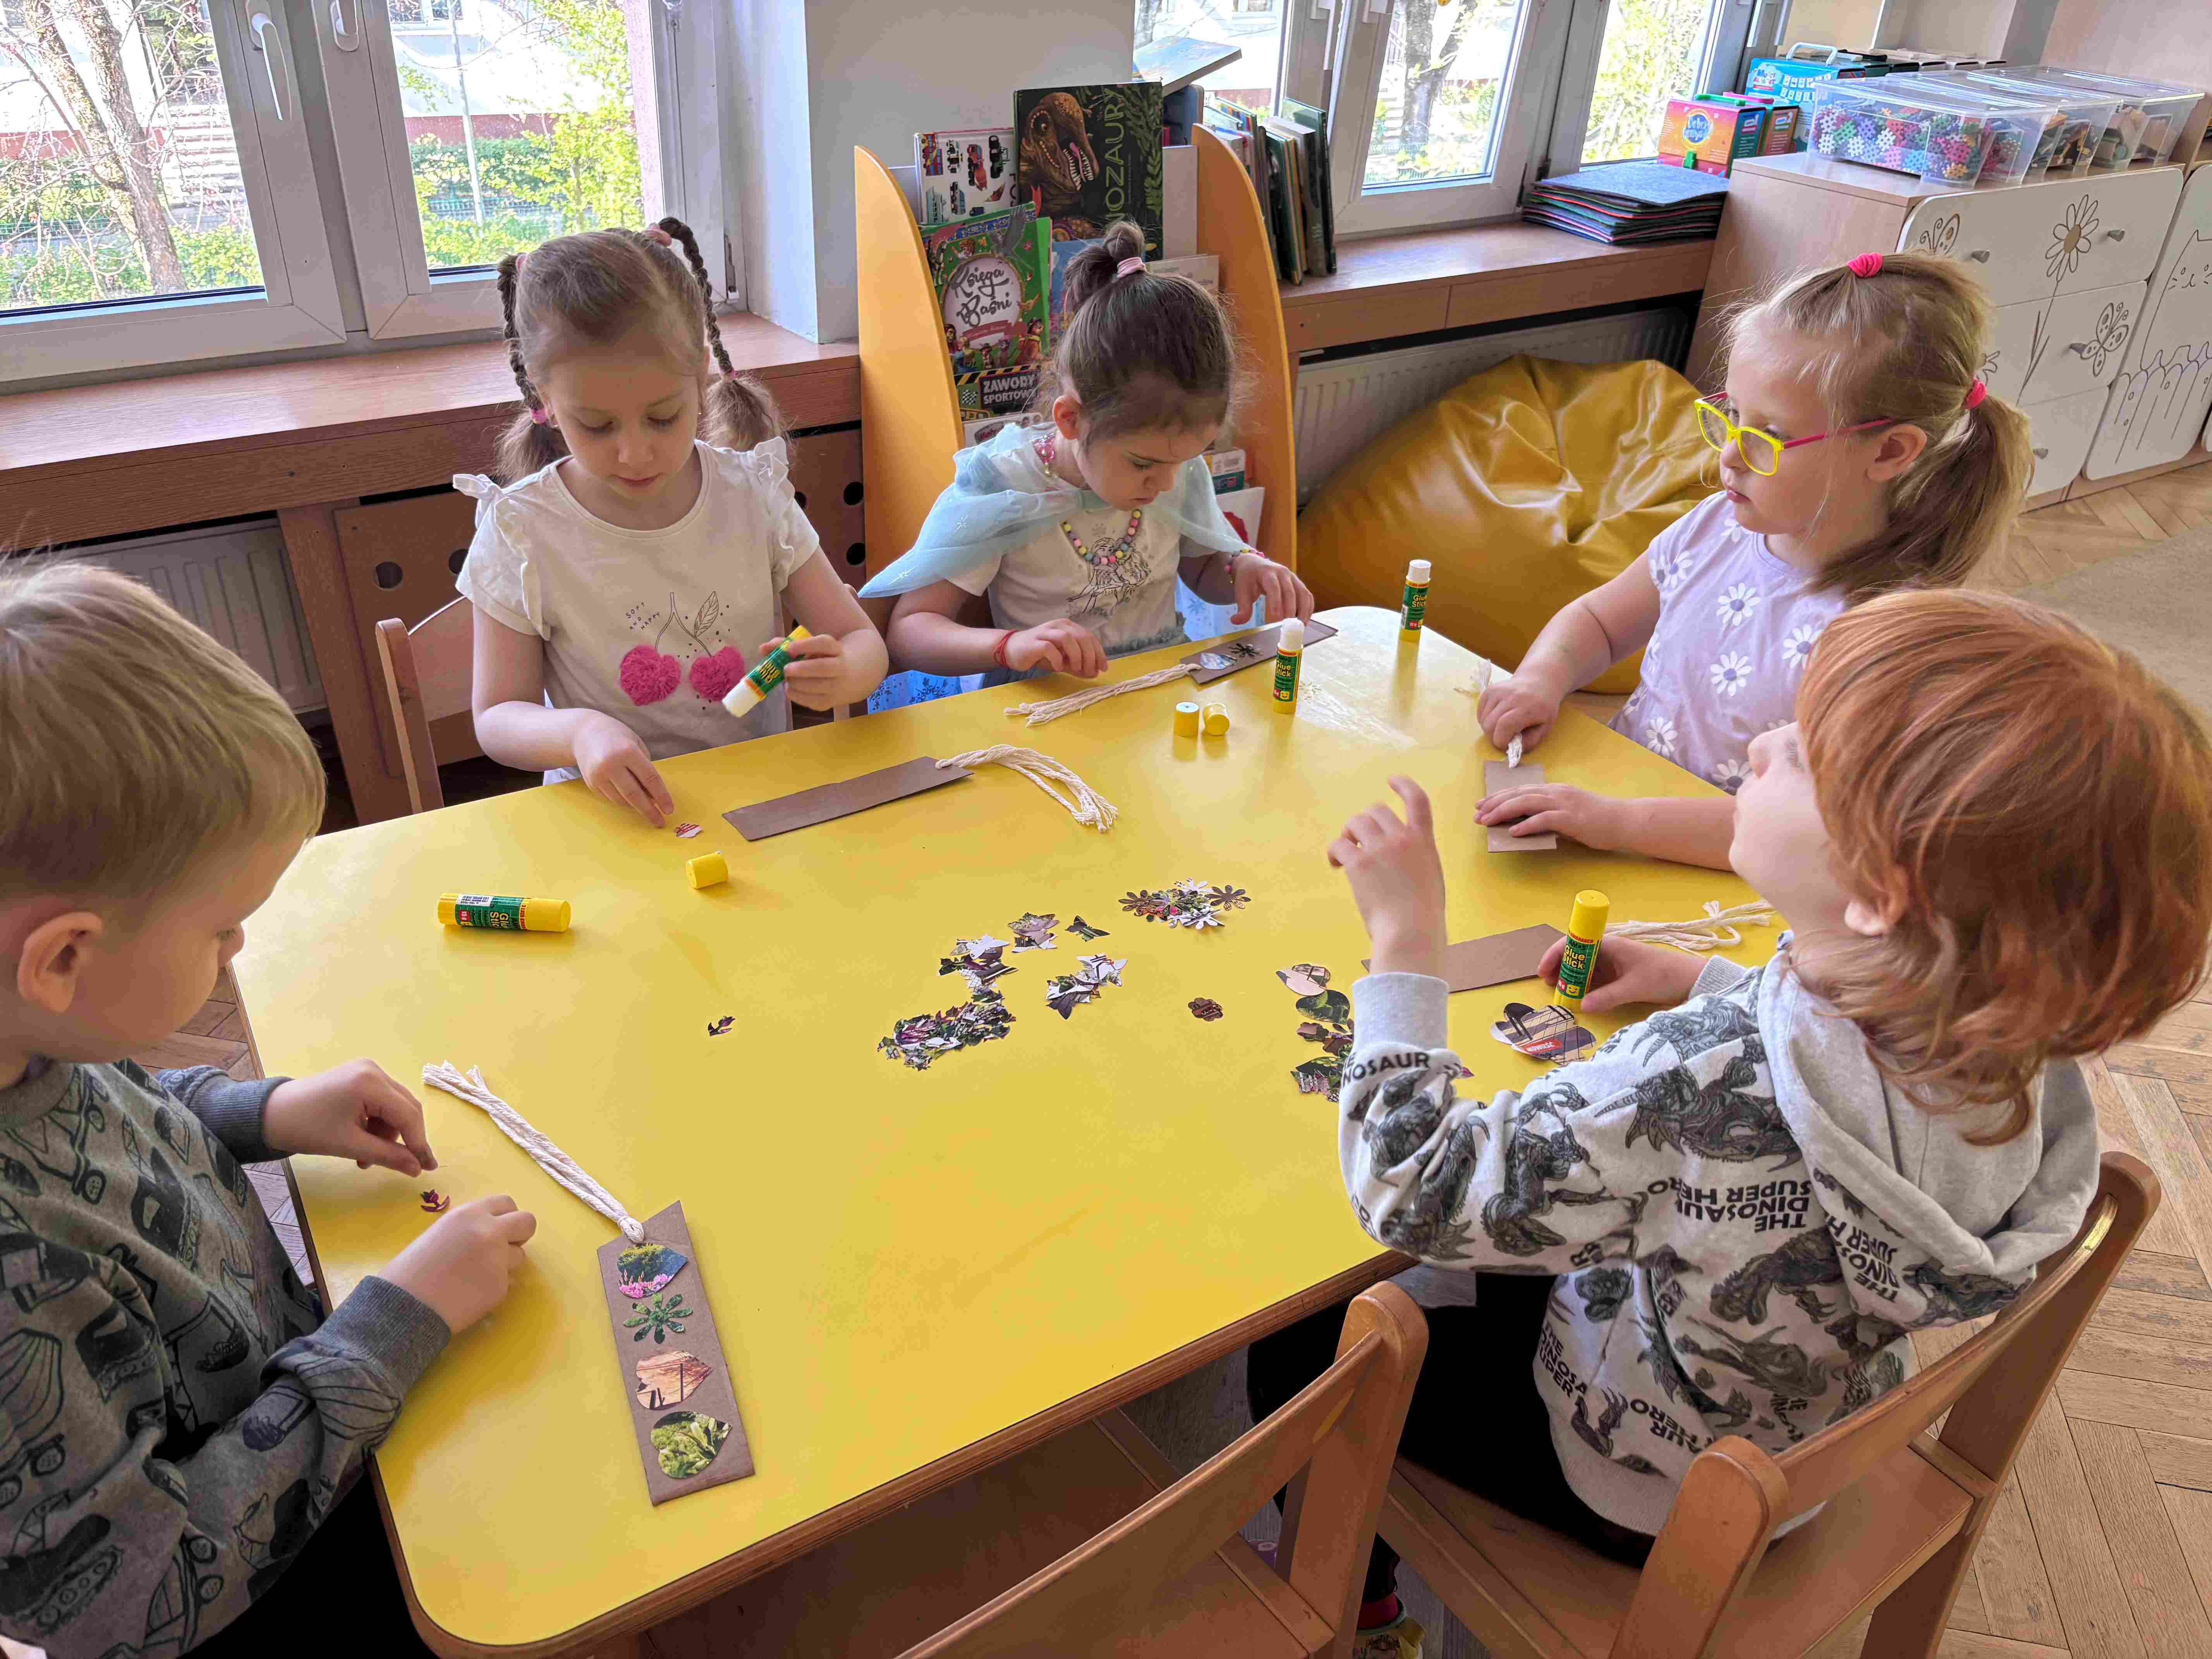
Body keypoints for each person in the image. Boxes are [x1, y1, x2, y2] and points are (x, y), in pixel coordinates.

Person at [1255, 589, 2212, 1659]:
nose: (1759, 746)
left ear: (1879, 895)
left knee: (1310, 1336)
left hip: (1632, 1482)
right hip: (1804, 1443)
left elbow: (1413, 1190)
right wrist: (1700, 978)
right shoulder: (2013, 1050)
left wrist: (1407, 948)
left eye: (1800, 756)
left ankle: (1364, 1614)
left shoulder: (1696, 1081)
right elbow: (1840, 1058)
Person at [0, 563, 538, 1655]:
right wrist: (393, 1324)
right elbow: (143, 1599)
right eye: (221, 928)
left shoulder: (34, 1036)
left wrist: (270, 1110)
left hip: (294, 1396)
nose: (240, 946)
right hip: (269, 1585)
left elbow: (119, 1115)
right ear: (61, 959)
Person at [1474, 251, 2032, 869]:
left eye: (1769, 436)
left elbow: (1811, 831)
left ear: (1890, 452)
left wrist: (1619, 822)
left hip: (1736, 876)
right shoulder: (1716, 526)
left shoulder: (1886, 634)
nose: (1730, 455)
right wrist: (1541, 678)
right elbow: (1601, 624)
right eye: (1733, 415)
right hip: (1614, 813)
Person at [458, 217, 887, 826]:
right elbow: (499, 716)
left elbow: (861, 641)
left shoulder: (752, 496)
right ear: (543, 398)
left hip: (758, 802)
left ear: (702, 374)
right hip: (615, 818)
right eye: (597, 426)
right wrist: (580, 733)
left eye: (663, 417)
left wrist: (846, 672)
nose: (635, 454)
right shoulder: (521, 531)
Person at [862, 220, 1313, 681]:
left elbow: (1203, 573)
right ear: (1071, 420)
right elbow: (910, 631)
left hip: (1153, 691)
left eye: (1183, 461)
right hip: (1047, 705)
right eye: (1143, 464)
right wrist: (1009, 646)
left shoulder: (1171, 466)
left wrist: (1242, 570)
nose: (1166, 483)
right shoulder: (1006, 486)